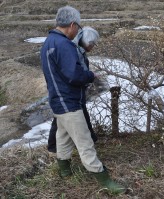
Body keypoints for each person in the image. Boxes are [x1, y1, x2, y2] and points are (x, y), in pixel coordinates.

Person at [40, 6, 126, 194]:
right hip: (69, 102)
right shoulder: (64, 45)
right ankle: (105, 181)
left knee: (62, 137)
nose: (78, 31)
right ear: (72, 25)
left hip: (57, 101)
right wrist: (90, 75)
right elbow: (74, 75)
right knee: (85, 142)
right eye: (78, 27)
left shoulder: (49, 42)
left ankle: (64, 171)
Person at [47, 26, 100, 153]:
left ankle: (54, 147)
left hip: (72, 92)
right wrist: (90, 76)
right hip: (69, 92)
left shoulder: (77, 49)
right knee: (64, 118)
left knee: (63, 118)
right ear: (86, 41)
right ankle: (54, 148)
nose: (93, 47)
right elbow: (74, 73)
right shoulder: (73, 50)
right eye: (92, 44)